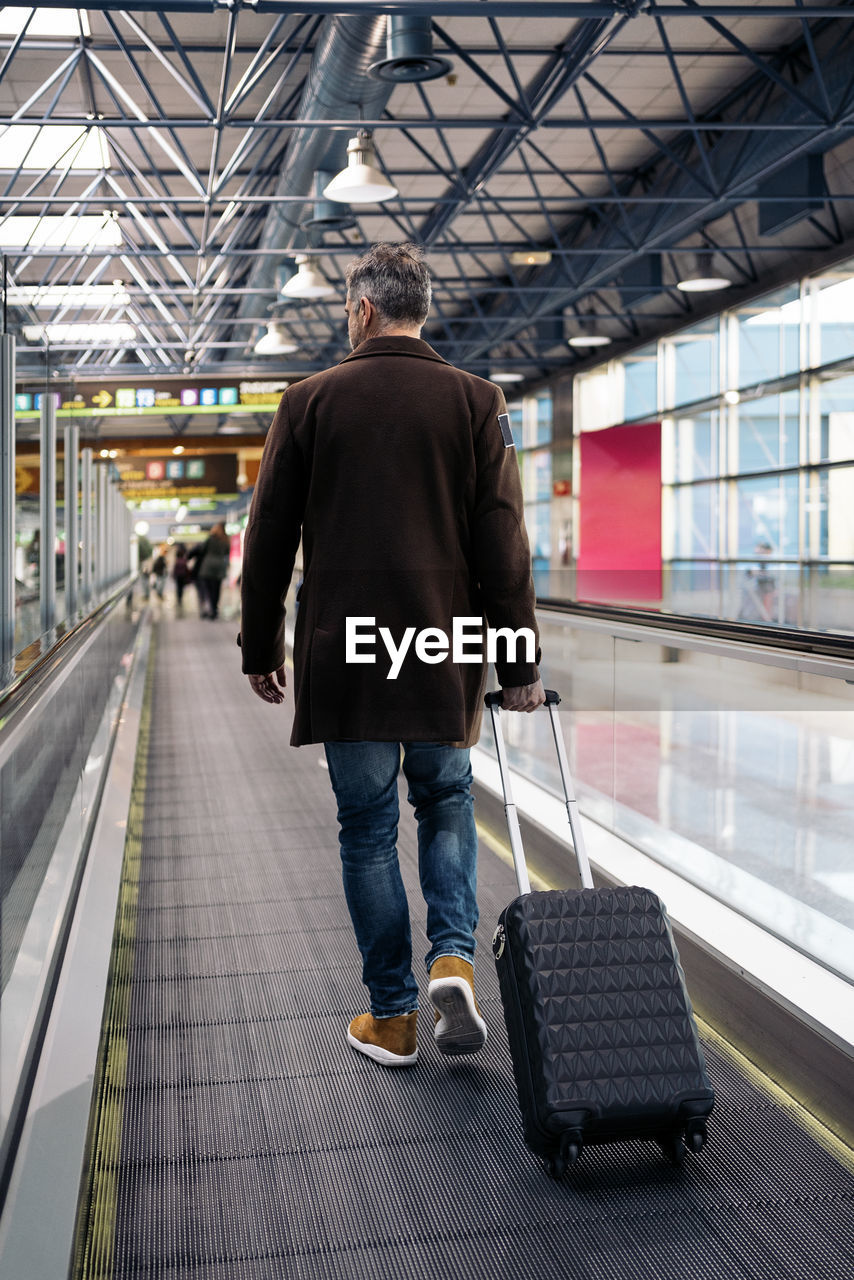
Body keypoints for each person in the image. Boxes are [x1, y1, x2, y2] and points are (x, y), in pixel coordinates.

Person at [240, 242, 544, 1070]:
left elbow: (267, 536)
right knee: (446, 803)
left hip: (346, 653)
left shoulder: (307, 401)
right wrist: (516, 664)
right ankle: (452, 958)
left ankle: (393, 1017)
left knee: (367, 829)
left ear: (361, 309)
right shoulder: (477, 402)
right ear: (420, 309)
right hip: (443, 645)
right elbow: (503, 544)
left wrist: (260, 644)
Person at [195, 522, 230, 619]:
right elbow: (227, 552)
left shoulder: (210, 539)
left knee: (208, 589)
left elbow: (202, 549)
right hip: (219, 566)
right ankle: (214, 609)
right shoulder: (225, 539)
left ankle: (209, 608)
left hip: (208, 565)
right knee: (216, 589)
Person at [172, 542, 191, 610]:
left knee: (178, 588)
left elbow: (175, 569)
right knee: (181, 588)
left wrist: (174, 575)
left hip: (178, 576)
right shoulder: (184, 561)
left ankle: (179, 598)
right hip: (182, 576)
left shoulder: (177, 561)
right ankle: (180, 598)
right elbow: (186, 569)